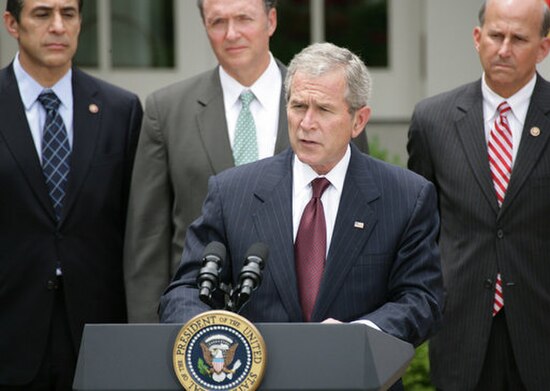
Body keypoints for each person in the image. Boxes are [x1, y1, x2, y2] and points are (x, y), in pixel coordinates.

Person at [160, 41, 443, 356]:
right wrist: (213, 338)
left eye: (323, 109)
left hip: (357, 375)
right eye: (298, 107)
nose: (307, 123)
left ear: (358, 121)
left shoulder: (405, 196)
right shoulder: (232, 192)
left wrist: (362, 335)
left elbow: (422, 299)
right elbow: (184, 292)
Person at [123, 0, 371, 323]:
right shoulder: (166, 110)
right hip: (204, 329)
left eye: (243, 18)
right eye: (217, 22)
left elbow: (359, 217)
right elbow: (148, 241)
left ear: (271, 21)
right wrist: (149, 338)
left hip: (313, 325)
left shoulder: (328, 102)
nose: (231, 33)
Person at [407, 0, 550, 389]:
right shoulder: (432, 120)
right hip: (461, 332)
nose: (504, 49)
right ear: (477, 38)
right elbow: (419, 231)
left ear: (543, 47)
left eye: (519, 38)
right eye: (495, 35)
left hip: (541, 332)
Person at [0, 0, 143, 389]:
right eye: (43, 14)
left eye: (69, 14)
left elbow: (135, 224)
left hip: (98, 332)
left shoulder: (121, 110)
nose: (59, 26)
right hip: (9, 331)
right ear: (12, 23)